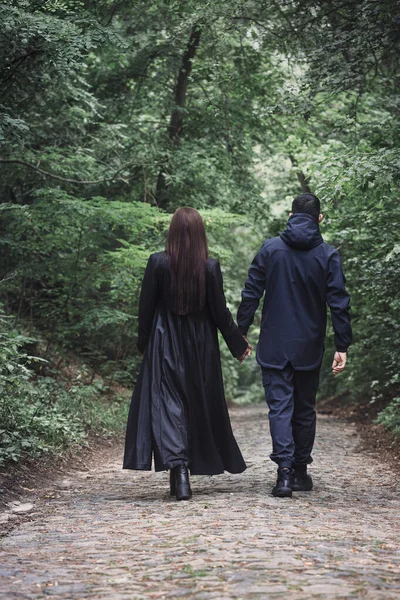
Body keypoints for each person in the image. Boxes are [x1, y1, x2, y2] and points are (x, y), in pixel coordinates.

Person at [123, 207, 251, 500]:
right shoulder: (209, 267)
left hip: (164, 342)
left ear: (173, 232)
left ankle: (179, 473)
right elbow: (220, 313)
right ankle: (181, 471)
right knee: (193, 406)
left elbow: (146, 310)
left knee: (170, 406)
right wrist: (238, 344)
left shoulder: (158, 263)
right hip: (200, 347)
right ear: (201, 234)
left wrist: (144, 344)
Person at [237, 193, 352, 498]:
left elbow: (251, 292)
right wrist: (343, 344)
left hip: (274, 344)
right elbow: (339, 303)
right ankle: (300, 472)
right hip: (309, 346)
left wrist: (241, 332)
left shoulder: (271, 249)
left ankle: (283, 475)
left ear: (290, 216)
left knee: (279, 408)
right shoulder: (327, 255)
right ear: (319, 219)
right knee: (304, 410)